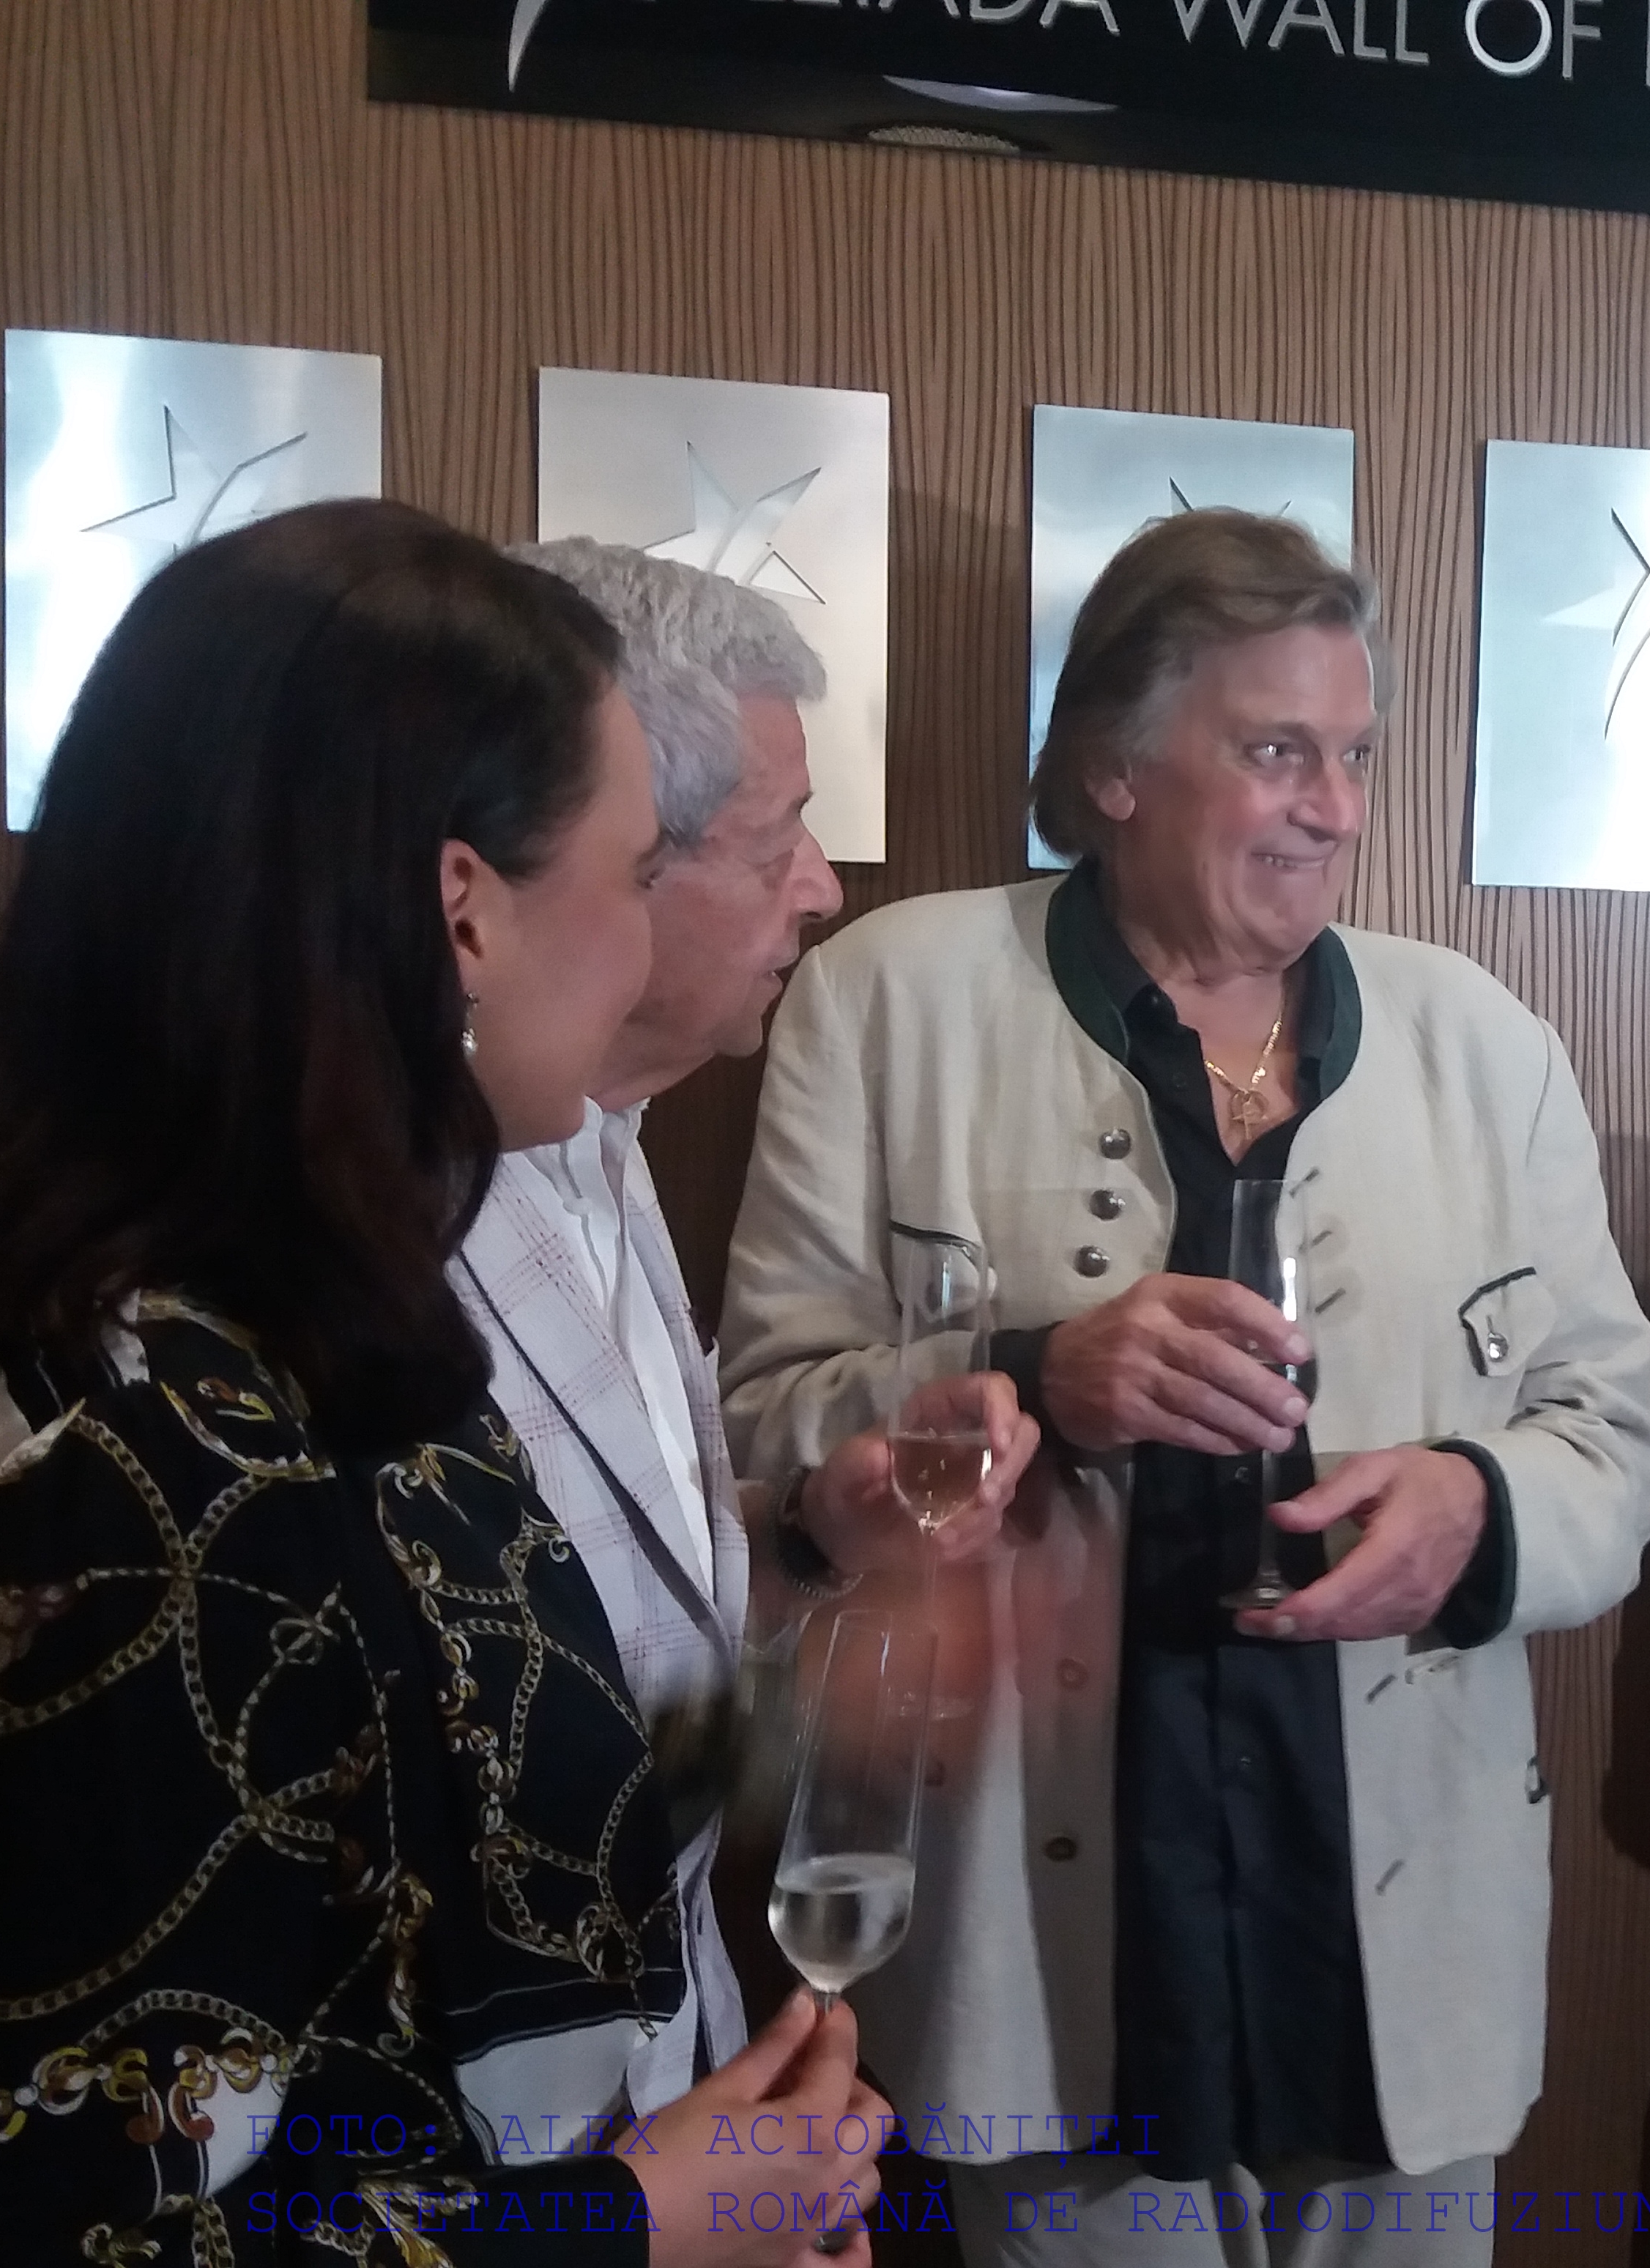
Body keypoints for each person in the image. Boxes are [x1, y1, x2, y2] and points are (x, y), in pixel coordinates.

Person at [0, 501, 886, 2266]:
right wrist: (641, 2223)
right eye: (629, 867)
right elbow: (69, 2232)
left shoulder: (312, 1322)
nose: (646, 929)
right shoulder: (142, 1462)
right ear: (464, 914)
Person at [716, 508, 1650, 2265]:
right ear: (1113, 768)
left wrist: (1476, 1510)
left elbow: (1612, 1436)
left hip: (1396, 1940)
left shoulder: (1487, 1043)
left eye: (1356, 756)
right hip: (1042, 1926)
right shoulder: (885, 1003)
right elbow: (751, 1433)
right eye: (1278, 751)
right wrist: (1028, 1376)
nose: (1336, 807)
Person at [452, 538, 1037, 2119]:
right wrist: (636, 2220)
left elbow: (599, 1659)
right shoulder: (350, 1254)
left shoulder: (603, 1143)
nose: (826, 886)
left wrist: (808, 1544)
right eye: (776, 837)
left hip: (669, 2096)